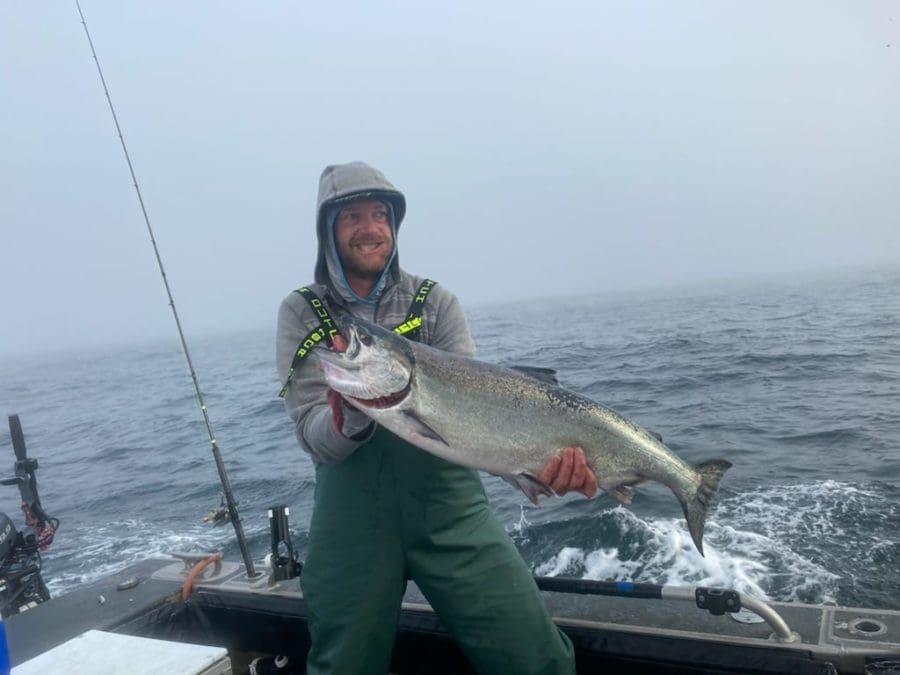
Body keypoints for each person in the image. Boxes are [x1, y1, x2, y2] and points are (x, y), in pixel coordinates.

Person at [276, 161, 598, 675]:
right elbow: (312, 434)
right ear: (328, 230)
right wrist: (348, 421)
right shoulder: (303, 312)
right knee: (343, 663)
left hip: (449, 505)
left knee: (531, 653)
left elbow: (482, 414)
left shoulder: (435, 301)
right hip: (352, 515)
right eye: (352, 216)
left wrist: (539, 464)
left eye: (380, 214)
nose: (370, 228)